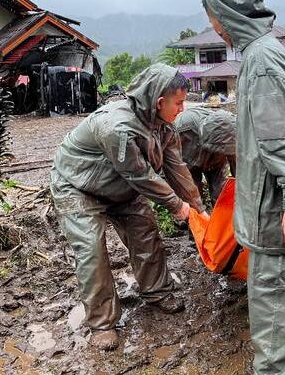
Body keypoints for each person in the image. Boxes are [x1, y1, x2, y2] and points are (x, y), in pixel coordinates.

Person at [50, 64, 207, 350]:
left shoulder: (163, 125)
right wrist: (177, 207)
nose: (183, 109)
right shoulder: (117, 126)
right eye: (179, 102)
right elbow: (140, 176)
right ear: (160, 102)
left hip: (122, 187)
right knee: (92, 251)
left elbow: (176, 168)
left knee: (146, 233)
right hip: (78, 186)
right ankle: (102, 323)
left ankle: (158, 292)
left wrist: (198, 207)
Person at [202, 0, 285, 373]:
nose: (211, 24)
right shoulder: (264, 52)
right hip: (270, 206)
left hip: (274, 210)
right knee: (281, 299)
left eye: (210, 16)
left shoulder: (262, 62)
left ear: (224, 17)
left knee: (275, 302)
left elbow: (284, 142)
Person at [174, 107, 236, 205]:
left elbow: (235, 162)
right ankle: (195, 217)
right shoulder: (183, 128)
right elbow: (173, 162)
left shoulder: (231, 132)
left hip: (216, 165)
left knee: (221, 194)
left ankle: (219, 217)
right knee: (193, 197)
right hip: (189, 162)